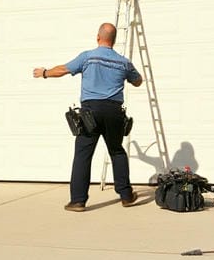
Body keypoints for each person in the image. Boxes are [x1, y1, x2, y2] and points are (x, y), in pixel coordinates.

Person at [33, 22, 142, 211]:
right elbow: (138, 81)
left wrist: (44, 73)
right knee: (117, 151)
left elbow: (63, 70)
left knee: (83, 155)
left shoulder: (88, 57)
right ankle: (126, 195)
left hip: (90, 112)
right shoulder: (123, 62)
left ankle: (78, 201)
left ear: (98, 37)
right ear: (113, 41)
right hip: (114, 112)